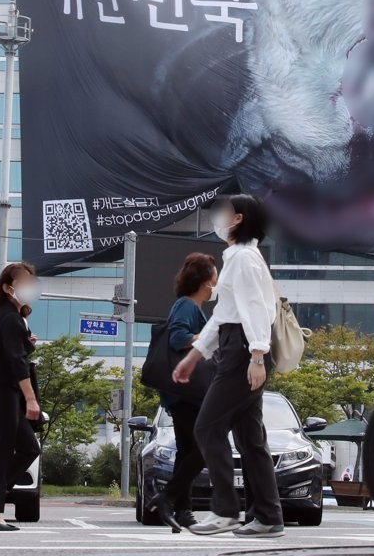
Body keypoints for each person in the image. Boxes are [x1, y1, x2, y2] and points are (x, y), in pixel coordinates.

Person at [172, 194, 284, 538]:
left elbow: (253, 309)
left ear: (237, 219)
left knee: (207, 428)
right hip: (238, 346)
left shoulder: (242, 258)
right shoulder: (240, 257)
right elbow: (223, 316)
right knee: (250, 438)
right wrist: (194, 356)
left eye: (222, 212)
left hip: (242, 351)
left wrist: (256, 356)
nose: (216, 218)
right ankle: (267, 516)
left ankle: (225, 512)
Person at [147, 252, 218, 532]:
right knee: (204, 447)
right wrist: (209, 335)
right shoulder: (186, 306)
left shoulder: (191, 306)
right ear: (204, 282)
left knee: (188, 449)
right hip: (186, 393)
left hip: (184, 393)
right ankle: (168, 497)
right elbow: (178, 339)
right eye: (214, 278)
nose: (217, 283)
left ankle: (182, 510)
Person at [0, 262, 42, 532]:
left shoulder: (10, 319)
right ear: (7, 287)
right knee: (1, 452)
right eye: (24, 282)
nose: (30, 288)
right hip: (1, 391)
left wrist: (26, 342)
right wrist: (31, 399)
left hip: (4, 390)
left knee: (29, 448)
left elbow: (11, 351)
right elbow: (15, 363)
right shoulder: (8, 318)